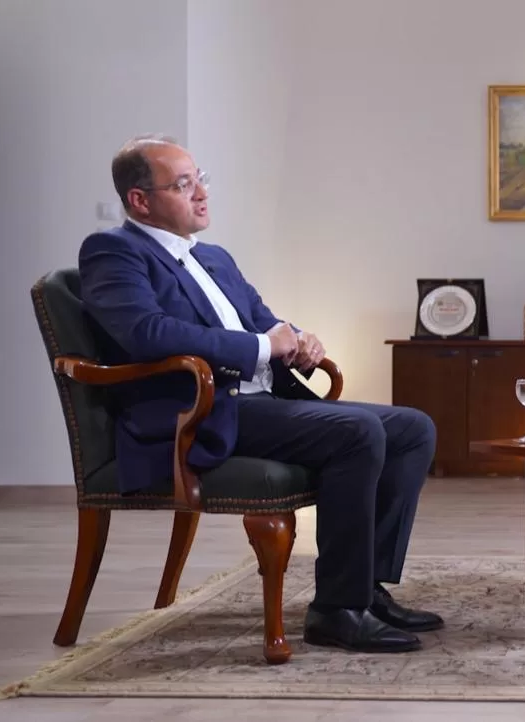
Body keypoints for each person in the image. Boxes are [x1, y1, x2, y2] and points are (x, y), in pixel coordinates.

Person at [79, 134, 440, 654]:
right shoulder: (113, 252)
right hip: (199, 410)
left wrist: (298, 339)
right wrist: (262, 347)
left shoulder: (214, 258)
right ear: (140, 200)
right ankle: (337, 611)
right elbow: (146, 333)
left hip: (259, 401)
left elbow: (263, 321)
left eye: (201, 179)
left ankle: (366, 587)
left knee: (412, 428)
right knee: (356, 430)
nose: (201, 193)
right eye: (183, 184)